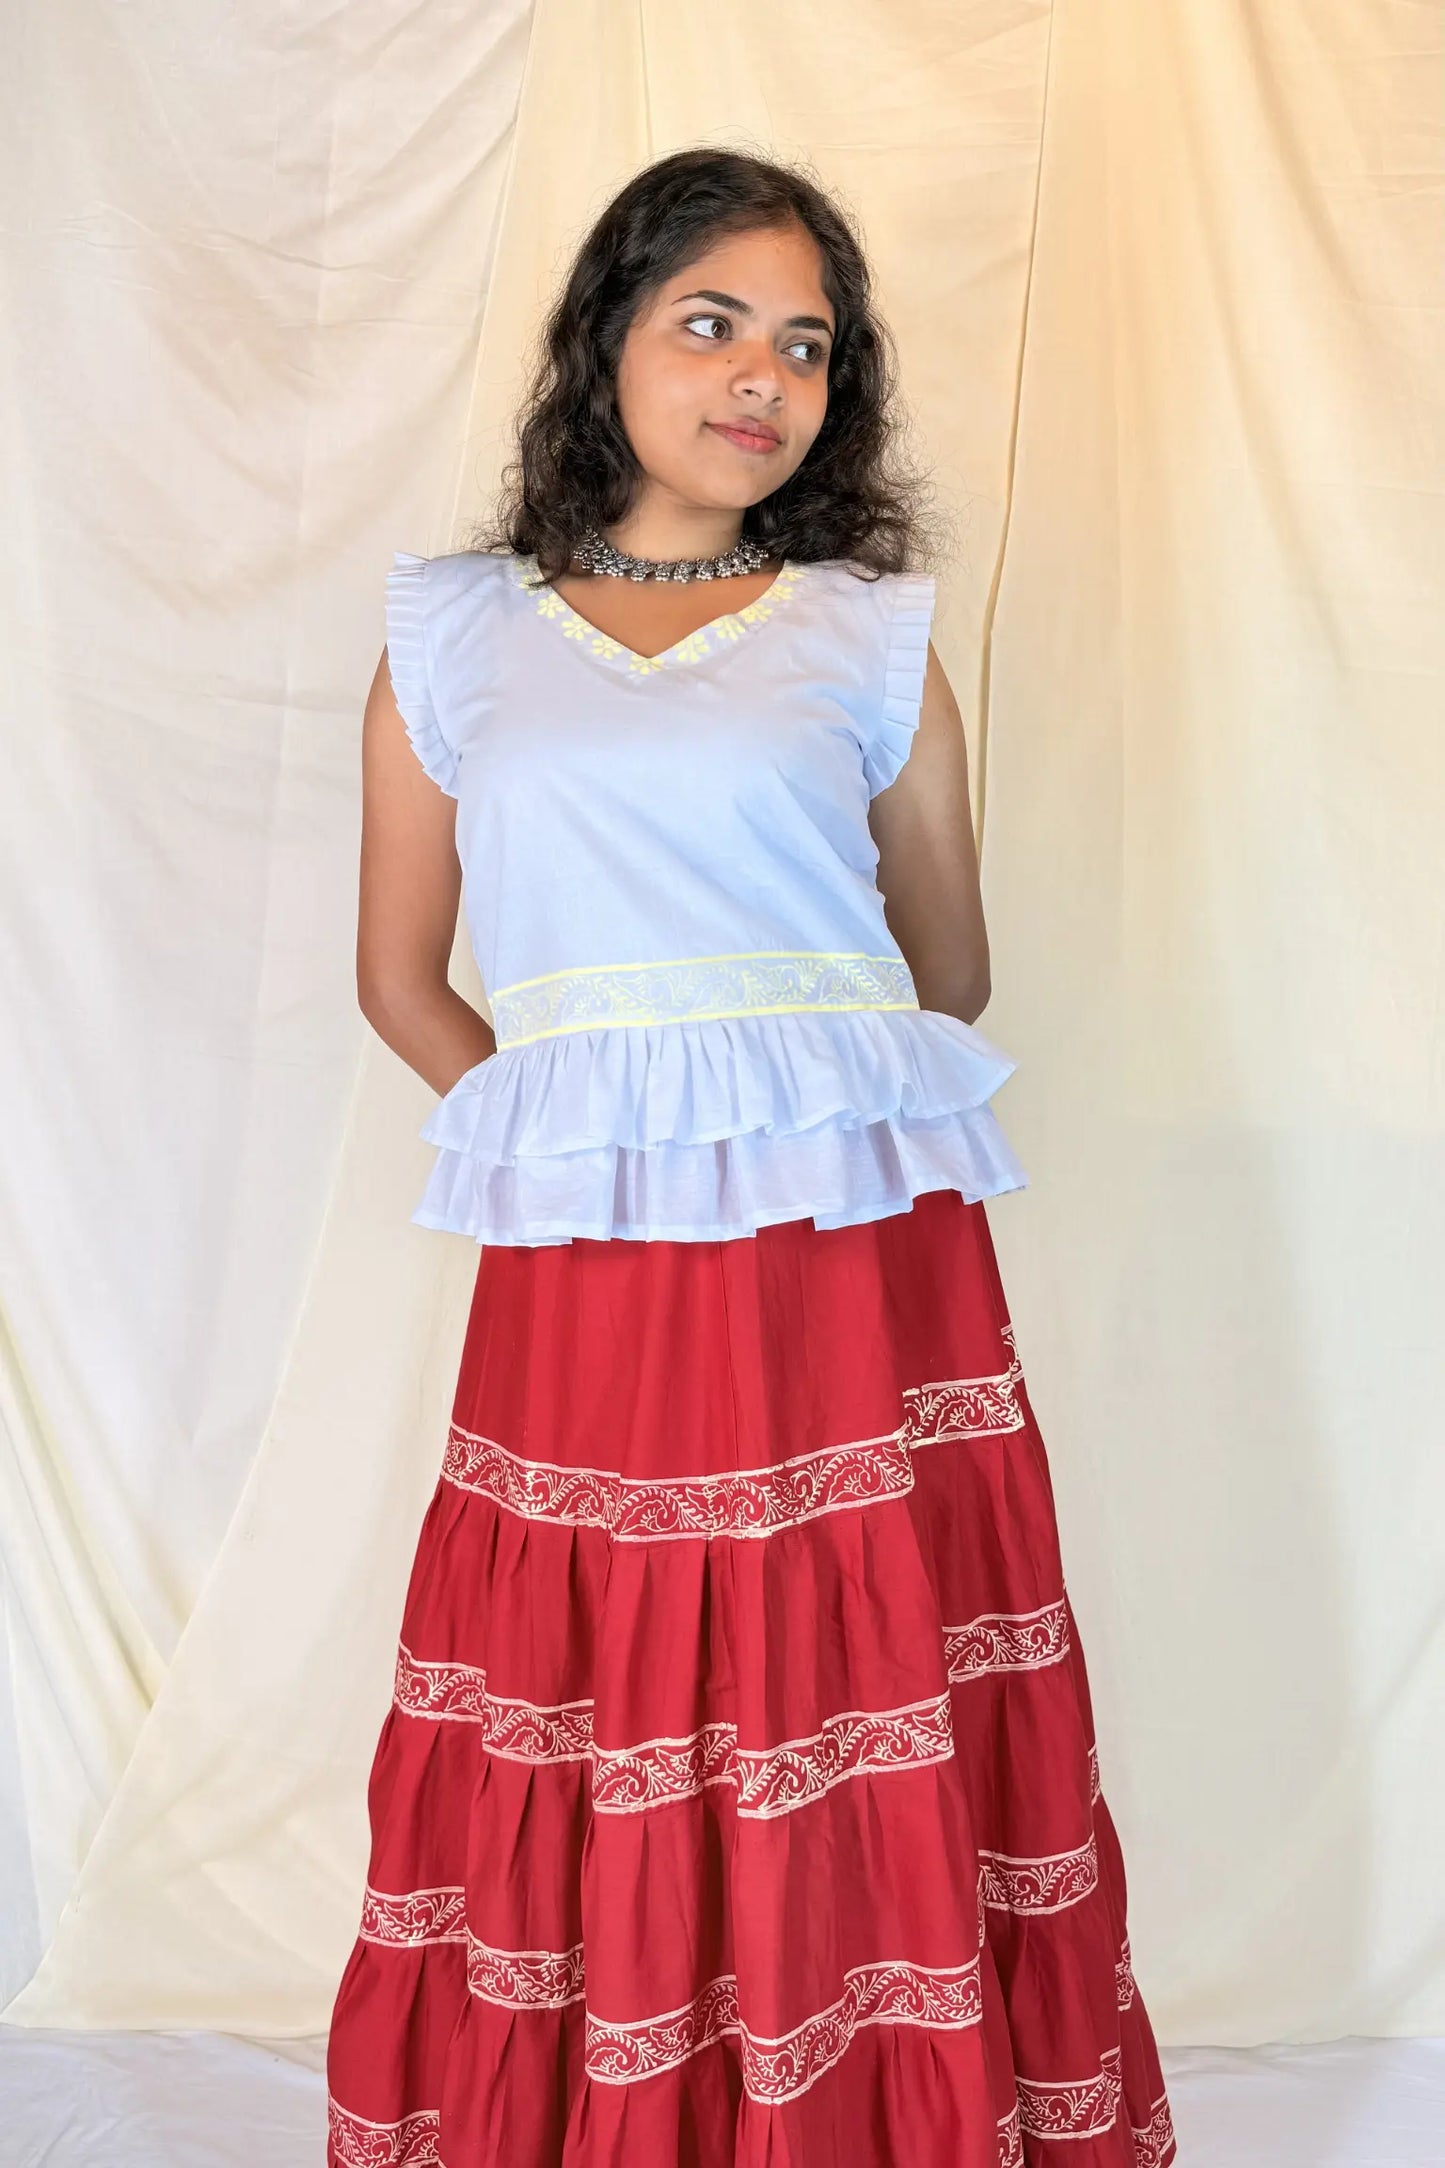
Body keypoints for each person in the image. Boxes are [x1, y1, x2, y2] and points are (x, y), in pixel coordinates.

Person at [324, 146, 1176, 2168]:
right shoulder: (453, 634)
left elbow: (943, 967)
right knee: (591, 1664)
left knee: (848, 1642)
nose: (758, 379)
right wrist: (577, 1140)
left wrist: (774, 1054)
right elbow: (397, 975)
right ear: (604, 338)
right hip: (591, 1269)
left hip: (837, 1255)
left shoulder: (868, 633)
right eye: (711, 322)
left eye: (805, 345)